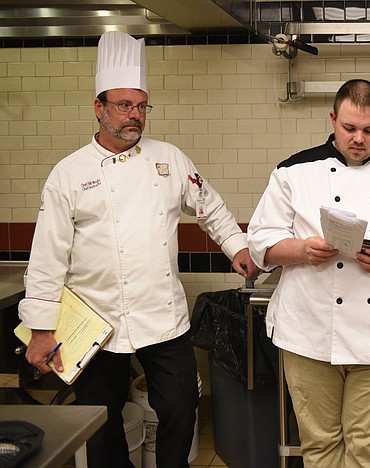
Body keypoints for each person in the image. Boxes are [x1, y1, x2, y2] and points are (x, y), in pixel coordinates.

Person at [18, 31, 258, 468]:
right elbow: (47, 257)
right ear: (99, 107)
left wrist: (236, 245)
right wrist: (39, 328)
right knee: (101, 420)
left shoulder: (169, 159)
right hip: (98, 322)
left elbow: (211, 207)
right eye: (124, 105)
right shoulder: (68, 175)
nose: (135, 116)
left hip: (162, 317)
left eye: (141, 105)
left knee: (181, 409)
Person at [247, 79, 370, 468]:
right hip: (309, 333)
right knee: (319, 448)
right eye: (349, 128)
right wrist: (303, 249)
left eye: (369, 130)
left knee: (369, 452)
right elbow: (261, 242)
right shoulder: (294, 171)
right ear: (333, 119)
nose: (359, 139)